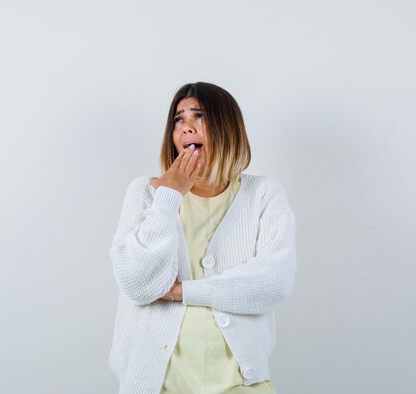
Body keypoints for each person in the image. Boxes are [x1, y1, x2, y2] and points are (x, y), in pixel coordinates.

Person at [109, 82, 297, 394]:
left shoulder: (264, 194)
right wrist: (169, 196)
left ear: (227, 128)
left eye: (199, 116)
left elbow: (273, 283)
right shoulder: (146, 192)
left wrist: (182, 291)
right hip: (157, 386)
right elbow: (137, 284)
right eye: (178, 119)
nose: (186, 128)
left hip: (241, 384)